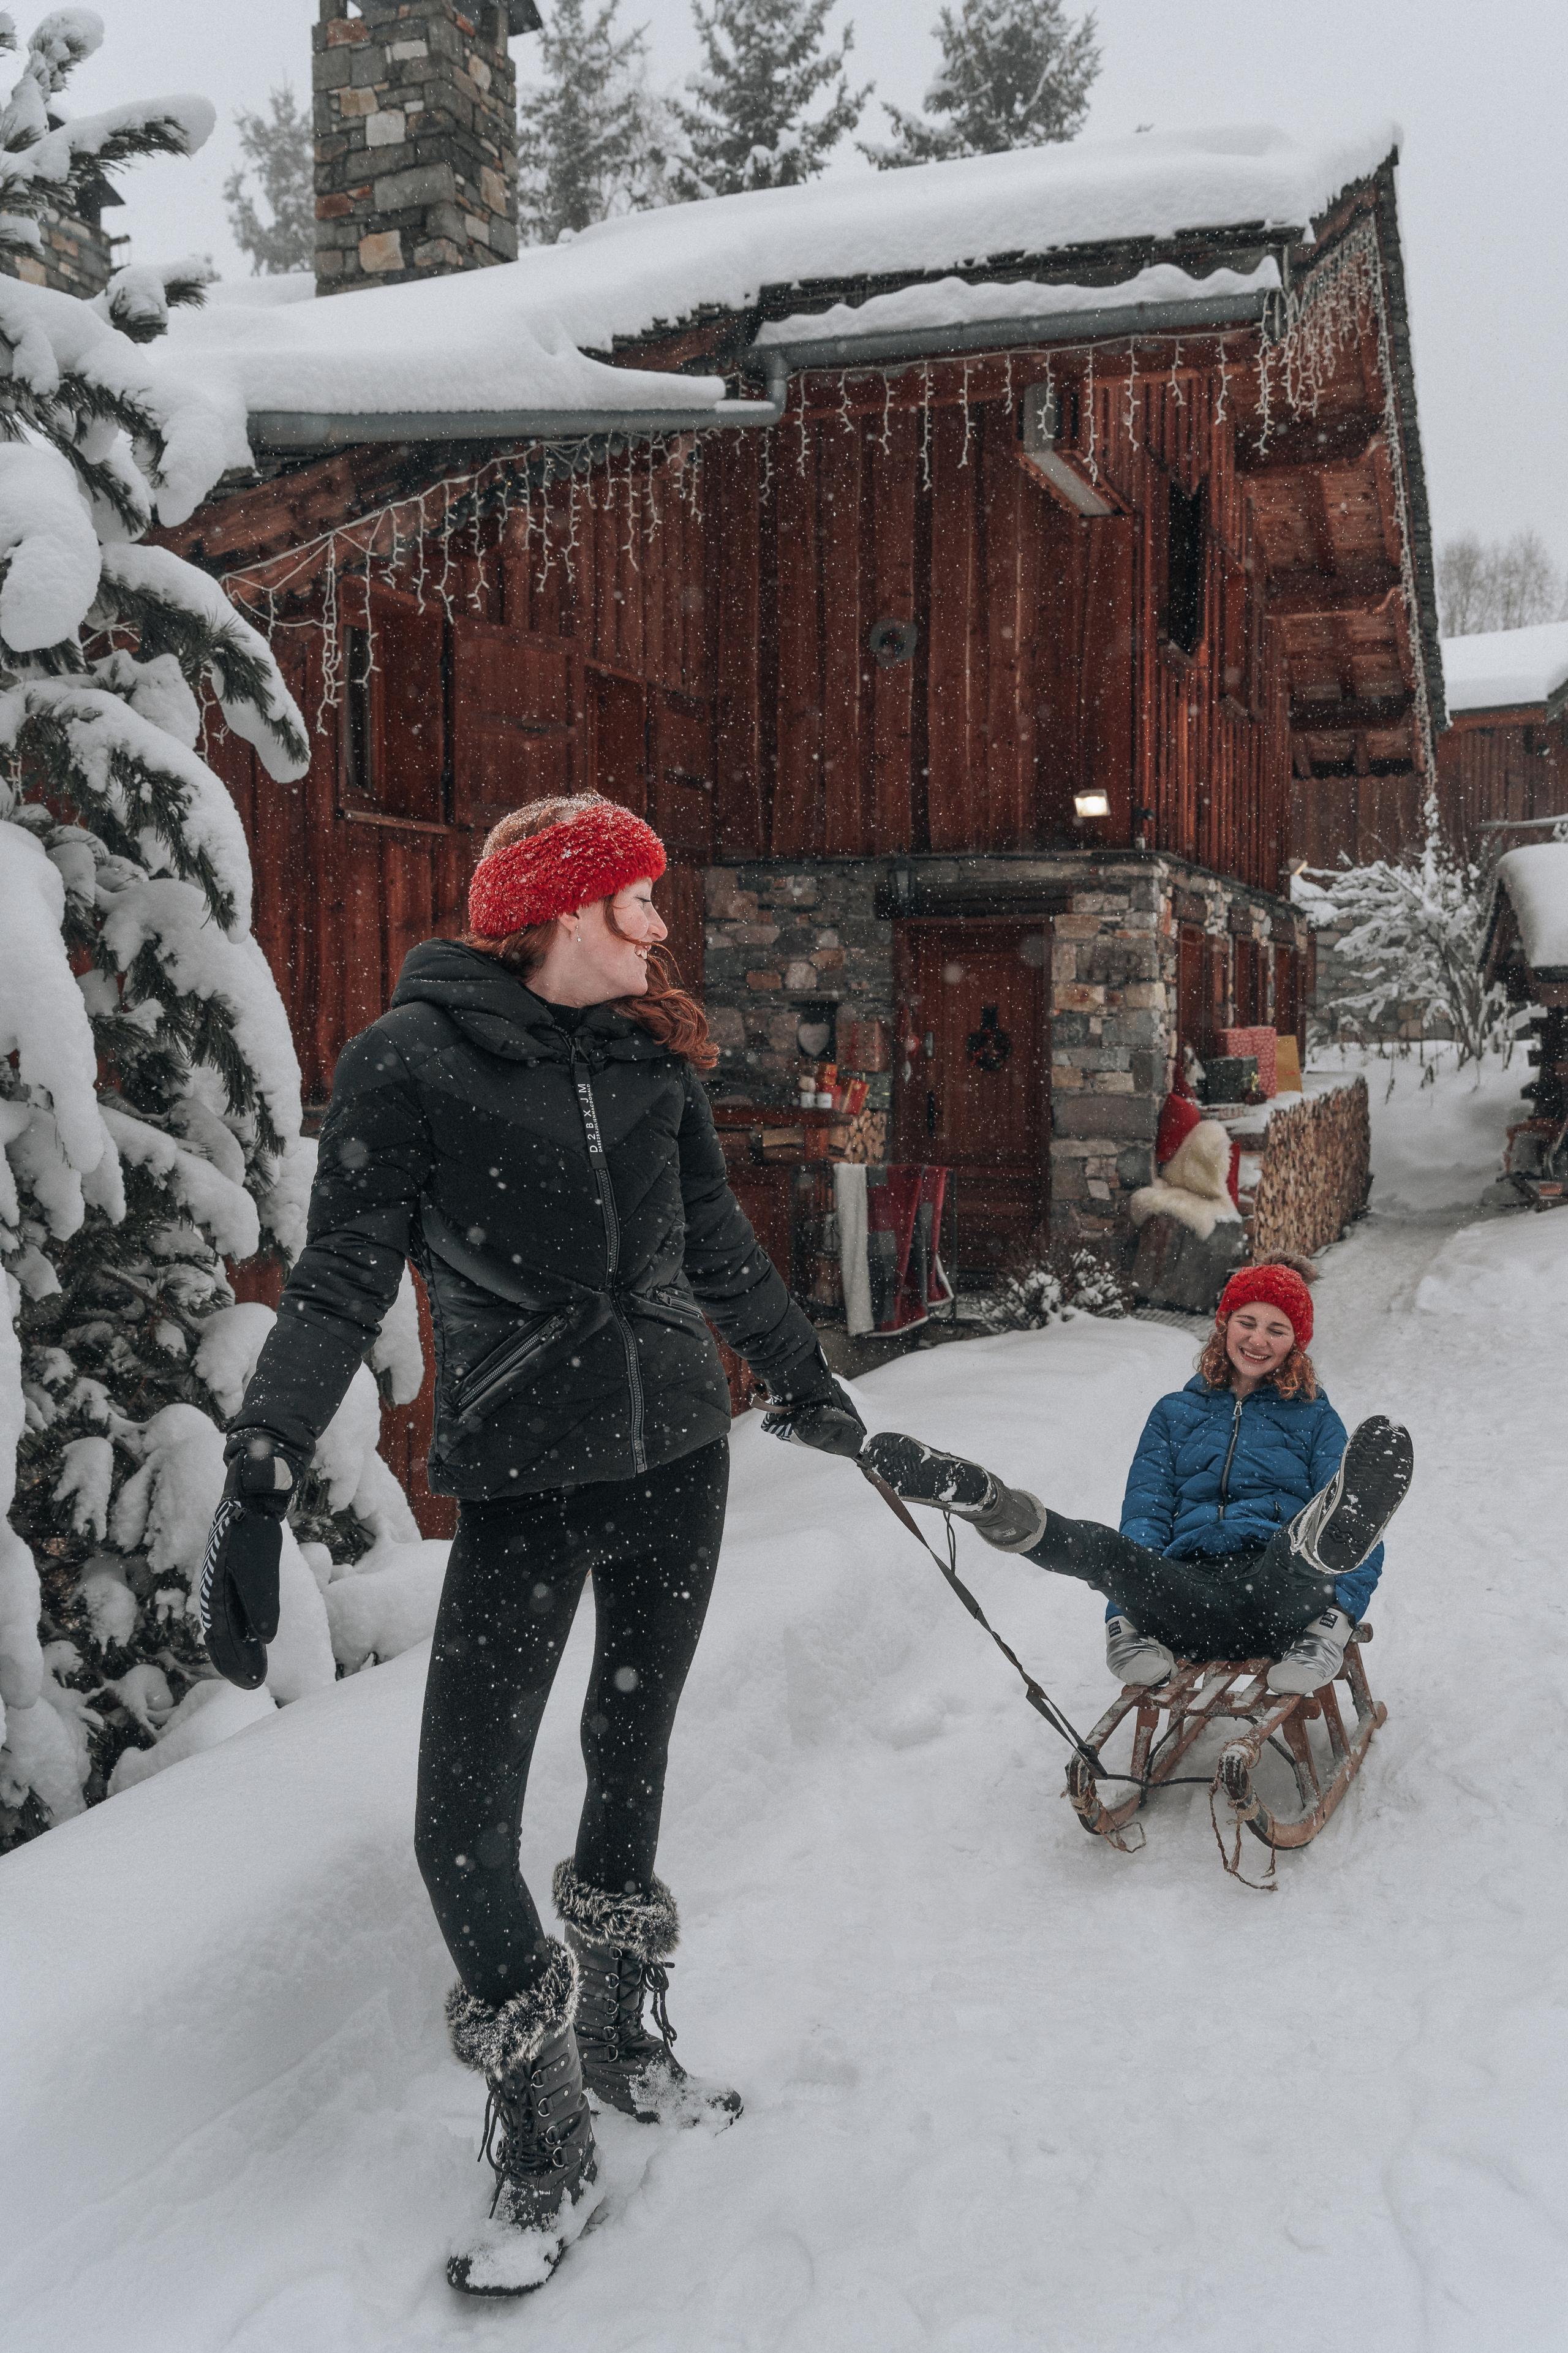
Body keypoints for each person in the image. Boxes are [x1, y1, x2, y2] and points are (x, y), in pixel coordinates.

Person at [198, 793, 865, 2297]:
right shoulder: (408, 1065)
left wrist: (809, 1382)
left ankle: (624, 2041)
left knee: (627, 1767)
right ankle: (543, 2123)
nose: (658, 927)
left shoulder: (651, 1060)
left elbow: (717, 1248)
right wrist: (258, 1469)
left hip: (677, 1462)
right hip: (523, 1482)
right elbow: (335, 1285)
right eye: (638, 901)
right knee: (460, 1828)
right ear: (562, 910)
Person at [863, 1263, 1413, 1698]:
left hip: (1280, 1603)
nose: (1258, 1339)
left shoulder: (1315, 1416)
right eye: (1247, 1320)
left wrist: (1333, 1624)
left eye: (1277, 1329)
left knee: (1310, 1543)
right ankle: (993, 1505)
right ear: (1225, 1324)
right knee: (1107, 1546)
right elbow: (1146, 1513)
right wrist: (1125, 1613)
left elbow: (1366, 1535)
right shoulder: (1174, 1413)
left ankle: (1314, 1542)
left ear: (1296, 1342)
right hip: (1187, 1596)